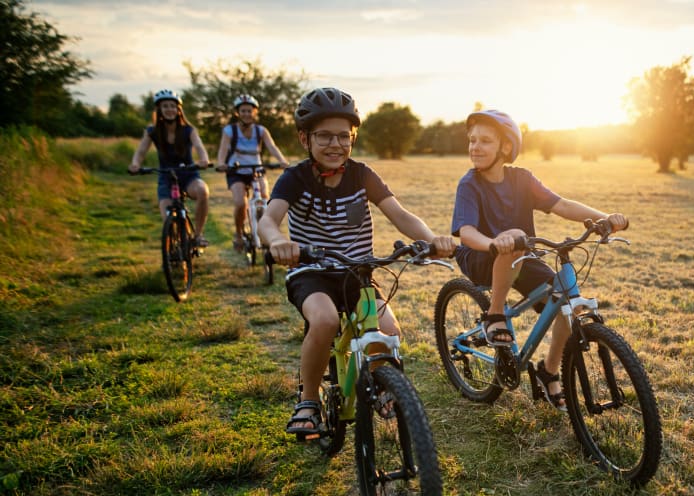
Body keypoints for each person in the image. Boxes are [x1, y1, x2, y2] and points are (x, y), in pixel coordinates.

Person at [257, 87, 455, 438]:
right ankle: (308, 400)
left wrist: (430, 239)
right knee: (325, 320)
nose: (335, 144)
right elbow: (268, 220)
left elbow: (400, 215)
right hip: (312, 272)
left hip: (357, 272)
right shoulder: (294, 177)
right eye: (324, 136)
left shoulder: (362, 174)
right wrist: (278, 242)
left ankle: (381, 387)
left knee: (390, 332)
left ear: (353, 137)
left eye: (343, 136)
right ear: (305, 138)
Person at [451, 109, 629, 411]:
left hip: (521, 255)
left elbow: (561, 204)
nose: (475, 147)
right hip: (481, 256)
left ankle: (548, 370)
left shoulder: (521, 179)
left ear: (506, 148)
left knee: (564, 304)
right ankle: (494, 315)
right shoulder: (469, 184)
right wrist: (494, 242)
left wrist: (605, 219)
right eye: (471, 141)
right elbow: (466, 231)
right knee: (515, 240)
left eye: (484, 141)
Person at [128, 89, 211, 246]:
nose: (169, 110)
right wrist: (135, 164)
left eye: (172, 106)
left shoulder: (189, 130)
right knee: (168, 219)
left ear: (178, 110)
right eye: (165, 106)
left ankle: (198, 235)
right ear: (159, 110)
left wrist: (204, 160)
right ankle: (174, 251)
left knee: (202, 191)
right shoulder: (152, 131)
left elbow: (199, 147)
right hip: (166, 177)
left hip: (188, 175)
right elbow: (141, 151)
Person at [216, 94, 290, 252]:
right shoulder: (230, 130)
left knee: (265, 199)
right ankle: (238, 234)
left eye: (249, 111)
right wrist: (221, 163)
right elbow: (223, 149)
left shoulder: (261, 130)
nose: (246, 114)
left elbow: (272, 147)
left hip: (256, 170)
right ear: (237, 113)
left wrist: (282, 160)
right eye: (243, 111)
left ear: (255, 112)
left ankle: (267, 231)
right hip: (236, 171)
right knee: (240, 203)